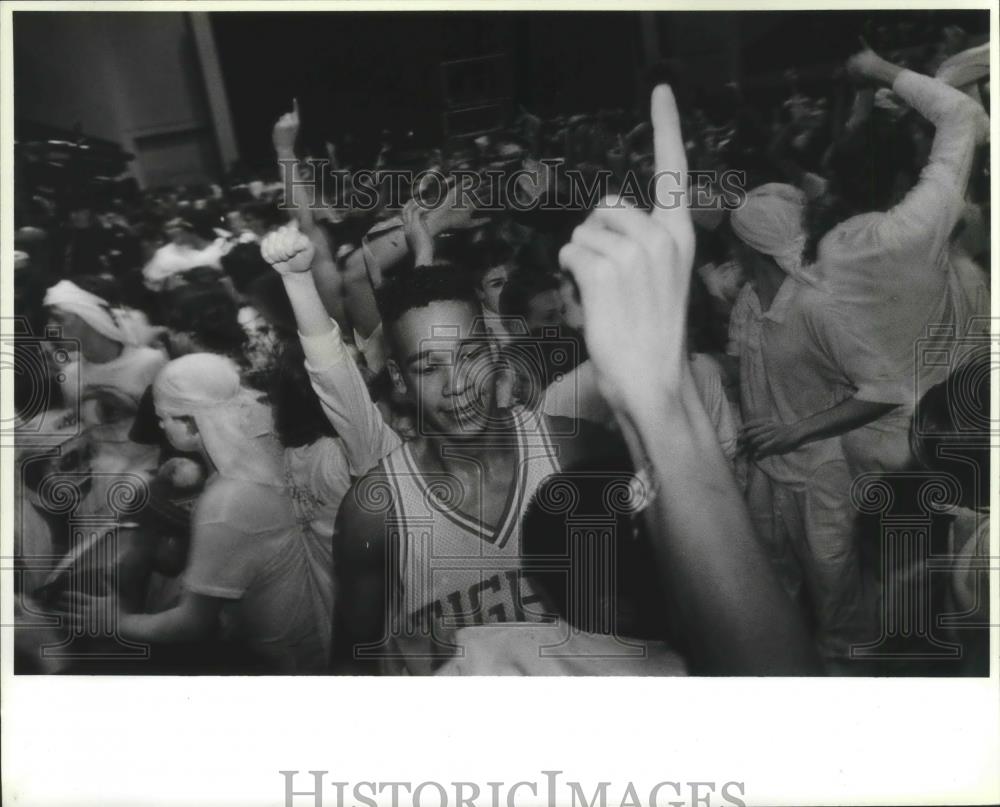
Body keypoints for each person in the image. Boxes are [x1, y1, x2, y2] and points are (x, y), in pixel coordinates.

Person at [70, 353, 334, 673]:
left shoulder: (227, 500)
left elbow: (191, 625)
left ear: (191, 424)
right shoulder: (264, 443)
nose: (159, 425)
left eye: (163, 417)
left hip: (280, 664)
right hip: (314, 635)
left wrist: (116, 621)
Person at [729, 183, 899, 662]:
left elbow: (888, 388)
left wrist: (796, 430)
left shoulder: (817, 306)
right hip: (767, 470)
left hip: (823, 473)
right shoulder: (749, 297)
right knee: (771, 583)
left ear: (747, 246)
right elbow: (746, 369)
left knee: (834, 594)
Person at [805, 47, 990, 475]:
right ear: (905, 179)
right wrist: (876, 68)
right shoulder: (911, 232)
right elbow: (961, 115)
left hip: (872, 444)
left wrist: (864, 93)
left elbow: (854, 154)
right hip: (944, 437)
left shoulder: (831, 241)